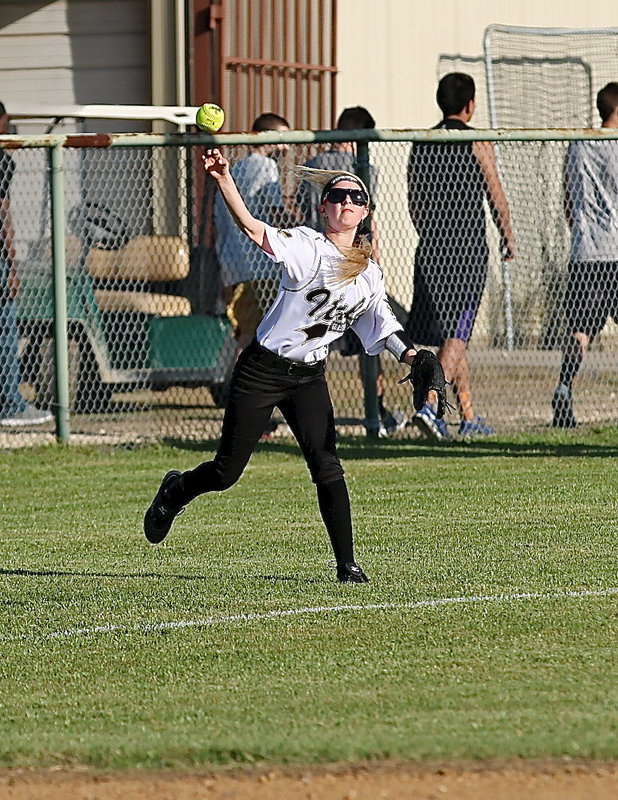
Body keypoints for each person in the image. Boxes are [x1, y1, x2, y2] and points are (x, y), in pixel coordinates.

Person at [144, 152, 421, 583]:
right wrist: (223, 179)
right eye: (337, 196)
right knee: (225, 472)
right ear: (323, 206)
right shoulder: (307, 246)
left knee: (327, 464)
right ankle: (176, 490)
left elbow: (383, 325)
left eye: (355, 197)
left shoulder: (368, 273)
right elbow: (253, 229)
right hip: (262, 370)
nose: (345, 203)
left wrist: (415, 358)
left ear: (365, 211)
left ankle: (347, 566)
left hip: (308, 377)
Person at [407, 73, 515, 440]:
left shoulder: (423, 142)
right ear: (470, 105)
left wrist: (429, 232)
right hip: (466, 249)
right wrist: (508, 236)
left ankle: (468, 415)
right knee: (457, 333)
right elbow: (494, 190)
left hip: (431, 247)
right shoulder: (474, 138)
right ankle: (431, 405)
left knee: (454, 337)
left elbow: (414, 201)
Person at [296, 105, 405, 437]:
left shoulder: (316, 164)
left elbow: (303, 210)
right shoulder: (364, 168)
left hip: (317, 264)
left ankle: (315, 411)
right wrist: (375, 264)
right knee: (369, 341)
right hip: (351, 263)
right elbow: (369, 225)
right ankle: (377, 410)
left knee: (316, 341)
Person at [553, 83, 618, 428]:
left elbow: (567, 196)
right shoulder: (615, 145)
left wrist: (579, 228)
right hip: (614, 250)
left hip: (584, 251)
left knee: (580, 331)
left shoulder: (578, 142)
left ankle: (564, 387)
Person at [214, 112, 294, 352]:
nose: (288, 147)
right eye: (283, 139)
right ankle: (240, 386)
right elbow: (275, 212)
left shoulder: (235, 170)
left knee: (246, 330)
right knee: (258, 336)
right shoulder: (266, 167)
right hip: (259, 266)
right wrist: (301, 229)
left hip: (232, 266)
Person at [0, 101, 52, 428]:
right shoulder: (3, 158)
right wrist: (13, 266)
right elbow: (3, 215)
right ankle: (12, 404)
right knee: (5, 329)